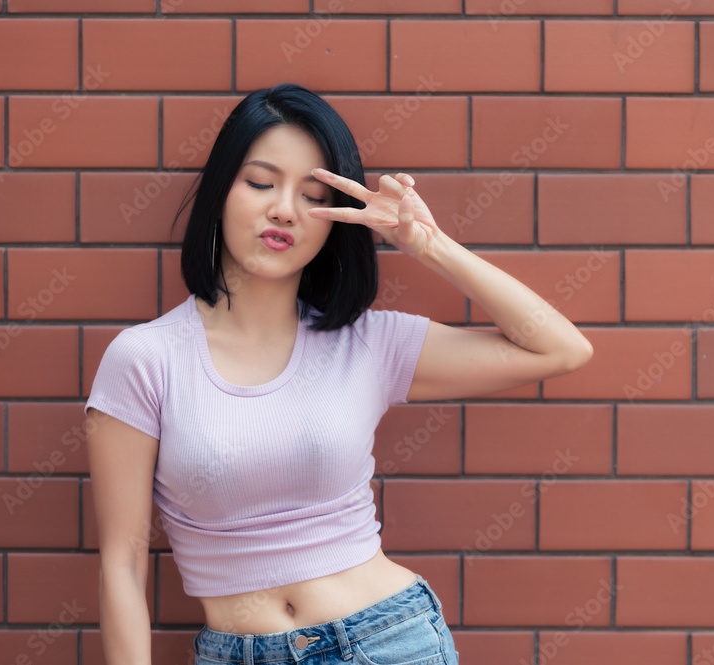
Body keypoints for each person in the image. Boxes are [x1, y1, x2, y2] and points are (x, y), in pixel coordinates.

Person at [83, 83, 593, 665]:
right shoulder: (144, 360)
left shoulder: (367, 343)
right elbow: (122, 564)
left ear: (334, 222)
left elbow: (558, 349)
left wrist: (428, 246)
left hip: (388, 642)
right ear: (221, 191)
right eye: (260, 182)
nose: (284, 209)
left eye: (311, 194)